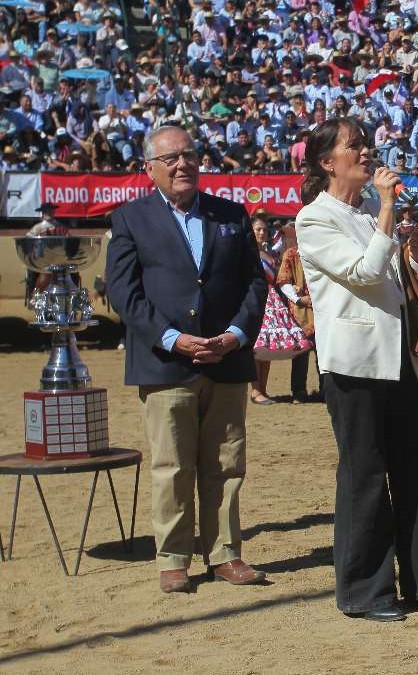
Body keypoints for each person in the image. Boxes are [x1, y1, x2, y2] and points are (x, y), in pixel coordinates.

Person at [294, 117, 418, 622]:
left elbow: (399, 277)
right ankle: (366, 591)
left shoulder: (367, 210)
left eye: (366, 144)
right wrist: (387, 208)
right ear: (327, 163)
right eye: (354, 146)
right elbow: (364, 274)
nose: (367, 152)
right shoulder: (314, 219)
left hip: (404, 358)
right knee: (365, 475)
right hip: (356, 364)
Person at [105, 125, 268, 593]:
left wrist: (236, 335)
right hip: (165, 364)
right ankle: (174, 557)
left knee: (226, 463)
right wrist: (173, 338)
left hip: (228, 360)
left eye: (190, 155)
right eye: (172, 157)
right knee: (173, 465)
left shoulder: (231, 215)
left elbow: (254, 284)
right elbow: (123, 292)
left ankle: (225, 554)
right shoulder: (130, 218)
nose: (183, 164)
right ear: (149, 168)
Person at [250, 213, 313, 404]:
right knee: (256, 347)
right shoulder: (246, 252)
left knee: (267, 346)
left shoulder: (270, 254)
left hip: (272, 301)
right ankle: (255, 390)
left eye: (264, 230)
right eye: (258, 229)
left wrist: (291, 285)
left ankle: (263, 388)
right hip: (255, 299)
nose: (262, 233)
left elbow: (278, 278)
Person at [274, 222, 322, 403]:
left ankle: (325, 389)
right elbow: (284, 281)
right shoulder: (291, 254)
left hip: (322, 310)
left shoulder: (322, 253)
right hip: (300, 312)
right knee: (301, 353)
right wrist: (298, 299)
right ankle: (299, 391)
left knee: (323, 354)